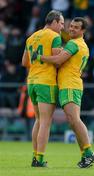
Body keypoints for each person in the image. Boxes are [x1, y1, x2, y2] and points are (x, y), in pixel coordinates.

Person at [34, 17, 94, 168]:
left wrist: (39, 57)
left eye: (76, 27)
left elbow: (57, 61)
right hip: (70, 84)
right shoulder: (79, 44)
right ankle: (86, 155)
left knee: (74, 120)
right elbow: (64, 59)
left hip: (70, 85)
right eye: (71, 26)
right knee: (73, 121)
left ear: (83, 31)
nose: (71, 29)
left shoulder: (74, 44)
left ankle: (89, 153)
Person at [22, 10, 64, 167]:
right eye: (60, 23)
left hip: (32, 81)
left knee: (39, 120)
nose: (62, 27)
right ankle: (39, 160)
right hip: (45, 82)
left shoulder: (31, 37)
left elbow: (25, 62)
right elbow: (58, 60)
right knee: (46, 122)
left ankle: (35, 157)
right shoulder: (54, 37)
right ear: (53, 22)